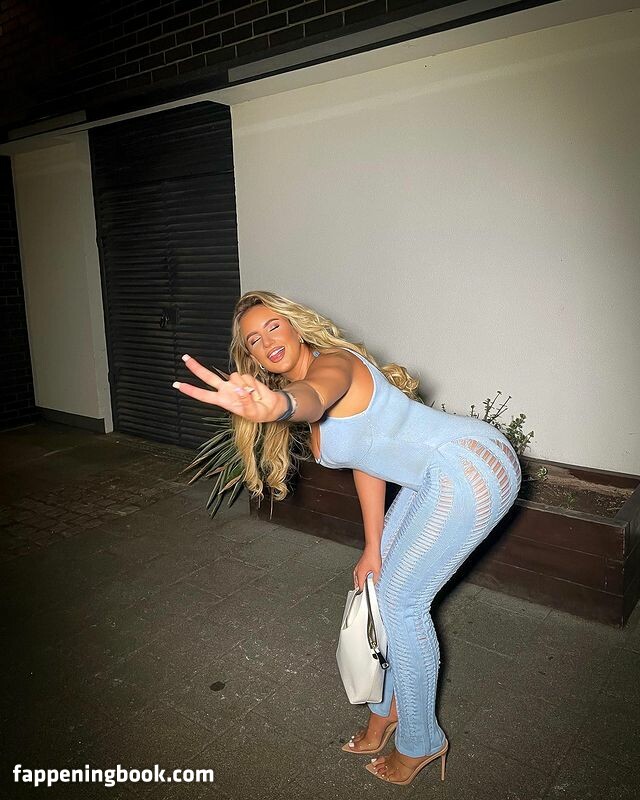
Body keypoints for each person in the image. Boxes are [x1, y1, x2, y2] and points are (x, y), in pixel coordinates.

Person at [172, 290, 522, 786]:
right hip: (434, 475)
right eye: (253, 340)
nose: (267, 341)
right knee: (379, 585)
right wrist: (372, 547)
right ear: (252, 359)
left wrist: (281, 405)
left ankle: (422, 741)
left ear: (295, 326)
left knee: (402, 604)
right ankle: (386, 712)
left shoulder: (334, 365)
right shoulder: (308, 383)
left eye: (273, 326)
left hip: (469, 464)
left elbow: (313, 395)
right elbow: (368, 461)